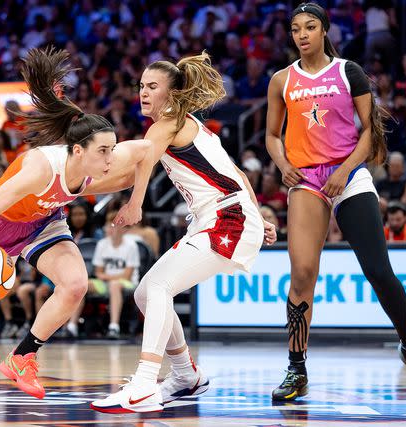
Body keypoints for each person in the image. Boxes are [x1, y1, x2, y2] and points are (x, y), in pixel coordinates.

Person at [0, 47, 152, 415]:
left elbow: (145, 151)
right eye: (104, 152)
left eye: (112, 150)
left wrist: (136, 202)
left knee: (76, 284)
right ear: (78, 151)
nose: (111, 159)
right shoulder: (38, 168)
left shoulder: (96, 160)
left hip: (44, 223)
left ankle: (23, 356)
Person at [91, 51, 276, 413]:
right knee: (146, 293)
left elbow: (144, 162)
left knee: (158, 287)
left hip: (228, 219)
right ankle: (185, 375)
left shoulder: (168, 123)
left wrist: (135, 204)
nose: (143, 93)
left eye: (152, 86)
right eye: (141, 86)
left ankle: (145, 384)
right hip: (228, 215)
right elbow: (236, 172)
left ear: (172, 93)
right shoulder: (187, 124)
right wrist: (259, 215)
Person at [264, 2, 406, 401]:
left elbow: (370, 131)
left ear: (324, 30)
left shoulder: (348, 71)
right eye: (296, 28)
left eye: (310, 27)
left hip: (348, 174)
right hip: (306, 180)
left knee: (378, 270)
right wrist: (283, 164)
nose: (302, 34)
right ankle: (296, 368)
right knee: (301, 273)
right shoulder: (281, 79)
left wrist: (344, 169)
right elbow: (271, 135)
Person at [67, 210, 140, 339]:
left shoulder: (131, 246)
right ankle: (72, 326)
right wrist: (107, 277)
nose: (110, 228)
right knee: (83, 284)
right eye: (109, 225)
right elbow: (98, 272)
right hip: (106, 282)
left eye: (115, 225)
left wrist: (107, 277)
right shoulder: (102, 244)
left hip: (127, 284)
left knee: (114, 285)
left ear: (123, 228)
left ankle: (114, 326)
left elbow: (127, 276)